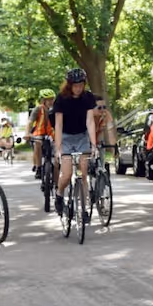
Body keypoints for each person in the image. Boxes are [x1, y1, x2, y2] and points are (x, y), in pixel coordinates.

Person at [53, 68, 97, 220]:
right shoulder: (61, 99)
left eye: (81, 85)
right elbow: (58, 125)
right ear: (69, 85)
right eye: (75, 85)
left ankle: (84, 209)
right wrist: (58, 148)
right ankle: (59, 194)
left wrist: (93, 144)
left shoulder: (88, 97)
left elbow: (90, 121)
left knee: (83, 174)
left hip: (81, 136)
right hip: (65, 137)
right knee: (67, 175)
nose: (78, 88)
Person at [24, 89, 56, 179]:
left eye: (52, 99)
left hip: (53, 134)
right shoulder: (38, 109)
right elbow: (30, 122)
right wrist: (27, 133)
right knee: (37, 143)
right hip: (39, 133)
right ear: (43, 100)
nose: (51, 101)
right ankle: (38, 167)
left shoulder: (57, 109)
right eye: (48, 99)